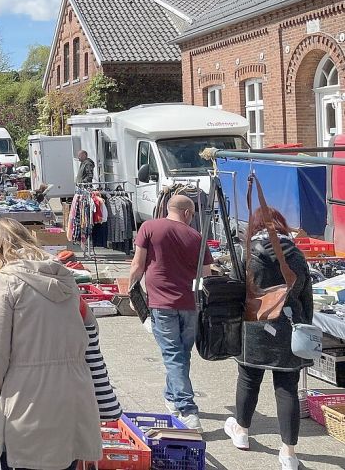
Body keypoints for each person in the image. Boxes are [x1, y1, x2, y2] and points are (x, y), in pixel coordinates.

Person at [0, 218, 102, 470]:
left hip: (27, 399)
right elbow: (90, 327)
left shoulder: (4, 281)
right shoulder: (63, 275)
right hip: (75, 397)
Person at [224, 207, 313, 470]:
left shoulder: (246, 252)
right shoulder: (296, 254)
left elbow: (234, 288)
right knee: (287, 389)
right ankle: (289, 453)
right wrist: (304, 324)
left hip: (254, 326)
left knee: (249, 379)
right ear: (281, 225)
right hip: (289, 327)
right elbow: (305, 296)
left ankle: (241, 431)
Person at [128, 194, 212, 430]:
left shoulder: (149, 227)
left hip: (161, 304)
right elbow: (206, 275)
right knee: (181, 355)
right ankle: (172, 397)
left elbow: (137, 265)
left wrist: (131, 290)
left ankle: (187, 409)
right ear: (187, 213)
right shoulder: (197, 236)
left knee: (174, 355)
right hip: (190, 304)